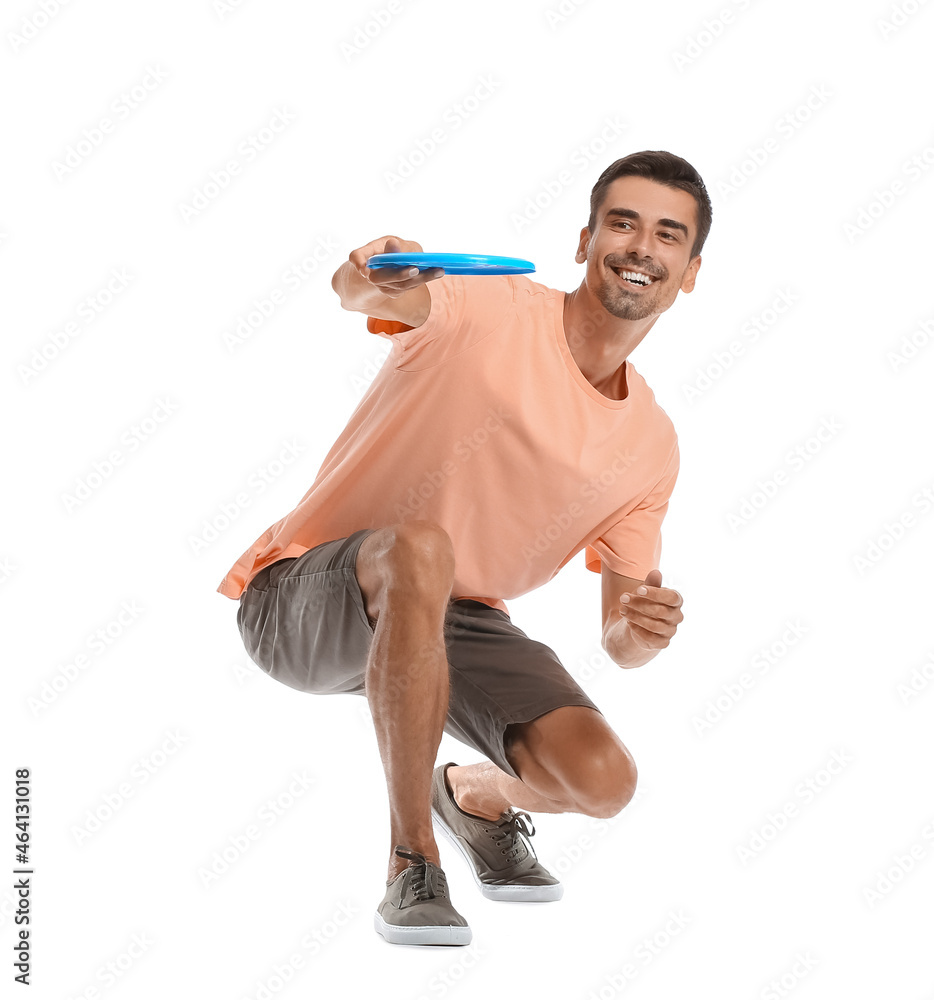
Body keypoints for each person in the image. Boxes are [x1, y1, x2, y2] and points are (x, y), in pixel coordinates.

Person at [217, 150, 710, 947]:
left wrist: (641, 631)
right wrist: (366, 269)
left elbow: (619, 640)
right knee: (420, 549)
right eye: (622, 223)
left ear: (689, 272)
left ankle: (473, 795)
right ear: (584, 240)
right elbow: (362, 293)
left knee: (603, 781)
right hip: (304, 598)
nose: (640, 247)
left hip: (456, 621)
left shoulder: (652, 445)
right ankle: (411, 865)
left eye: (667, 235)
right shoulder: (490, 307)